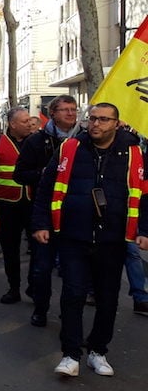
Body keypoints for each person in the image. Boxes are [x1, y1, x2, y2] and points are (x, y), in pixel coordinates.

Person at [32, 103, 148, 377]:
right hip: (73, 235)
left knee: (108, 298)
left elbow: (144, 196)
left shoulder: (133, 153)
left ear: (116, 124)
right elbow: (47, 187)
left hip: (113, 239)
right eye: (92, 119)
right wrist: (41, 223)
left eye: (104, 120)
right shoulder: (70, 148)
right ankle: (70, 354)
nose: (96, 124)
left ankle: (98, 351)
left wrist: (143, 229)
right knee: (72, 294)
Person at [13, 95, 82, 327]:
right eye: (65, 110)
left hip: (74, 215)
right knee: (42, 268)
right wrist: (45, 173)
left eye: (74, 109)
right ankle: (41, 308)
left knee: (73, 272)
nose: (71, 114)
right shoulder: (36, 142)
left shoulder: (84, 140)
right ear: (52, 113)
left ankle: (69, 313)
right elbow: (19, 174)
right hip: (43, 212)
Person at [0, 107, 33, 304]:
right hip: (6, 205)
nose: (29, 124)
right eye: (25, 121)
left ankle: (34, 285)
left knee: (37, 249)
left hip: (31, 203)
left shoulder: (36, 141)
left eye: (29, 120)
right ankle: (14, 288)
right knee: (11, 249)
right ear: (12, 124)